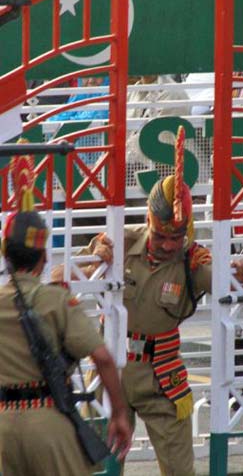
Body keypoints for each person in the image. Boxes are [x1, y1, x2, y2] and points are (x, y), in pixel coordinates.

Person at [52, 141, 243, 475]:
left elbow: (231, 280)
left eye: (176, 237)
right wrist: (93, 265)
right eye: (161, 236)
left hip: (162, 376)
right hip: (111, 370)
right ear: (149, 222)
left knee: (178, 470)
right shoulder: (121, 240)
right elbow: (63, 277)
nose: (167, 245)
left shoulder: (194, 262)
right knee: (92, 466)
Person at [0, 150, 132, 476]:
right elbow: (101, 357)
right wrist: (118, 413)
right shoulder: (55, 301)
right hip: (47, 420)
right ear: (44, 257)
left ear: (6, 254)